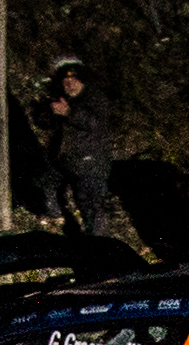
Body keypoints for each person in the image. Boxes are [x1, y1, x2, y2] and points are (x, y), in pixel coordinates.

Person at [35, 53, 134, 249]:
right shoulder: (65, 100)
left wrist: (69, 112)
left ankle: (99, 249)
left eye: (73, 79)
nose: (69, 84)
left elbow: (94, 124)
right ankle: (56, 218)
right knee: (47, 184)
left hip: (90, 163)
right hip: (68, 160)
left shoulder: (94, 98)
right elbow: (49, 125)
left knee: (92, 208)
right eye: (65, 81)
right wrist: (48, 112)